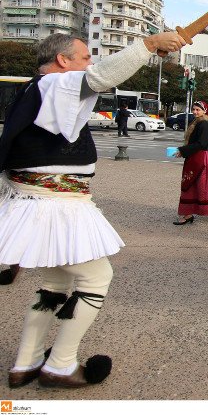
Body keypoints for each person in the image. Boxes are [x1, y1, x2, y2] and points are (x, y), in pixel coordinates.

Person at [0, 31, 185, 388]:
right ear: (62, 61)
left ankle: (26, 362)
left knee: (56, 281)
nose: (89, 64)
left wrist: (150, 53)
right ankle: (61, 365)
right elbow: (100, 76)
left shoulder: (34, 90)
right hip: (53, 204)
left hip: (40, 200)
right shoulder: (55, 85)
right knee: (97, 278)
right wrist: (146, 45)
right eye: (84, 57)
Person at [173, 100, 208, 225]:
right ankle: (192, 213)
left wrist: (182, 150)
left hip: (199, 159)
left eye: (198, 109)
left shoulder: (203, 123)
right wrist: (184, 151)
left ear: (204, 111)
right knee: (197, 186)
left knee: (201, 186)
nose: (195, 111)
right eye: (193, 109)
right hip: (195, 157)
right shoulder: (198, 121)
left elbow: (201, 144)